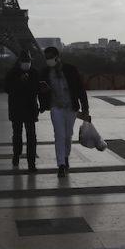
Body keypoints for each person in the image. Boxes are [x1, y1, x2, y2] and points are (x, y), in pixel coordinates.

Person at [39, 47, 89, 177]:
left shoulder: (70, 70)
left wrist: (85, 108)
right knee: (59, 135)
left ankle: (65, 157)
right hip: (56, 107)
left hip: (70, 107)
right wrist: (43, 96)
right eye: (46, 58)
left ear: (57, 56)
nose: (48, 60)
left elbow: (80, 89)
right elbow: (39, 89)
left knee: (68, 135)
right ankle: (61, 164)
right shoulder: (44, 72)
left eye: (50, 57)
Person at [5, 50, 41, 172]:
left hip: (29, 108)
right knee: (18, 135)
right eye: (25, 61)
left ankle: (31, 161)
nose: (27, 63)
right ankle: (17, 154)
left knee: (31, 136)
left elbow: (37, 89)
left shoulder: (34, 73)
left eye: (28, 61)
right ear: (20, 62)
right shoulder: (13, 73)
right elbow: (7, 88)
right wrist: (20, 81)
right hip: (17, 108)